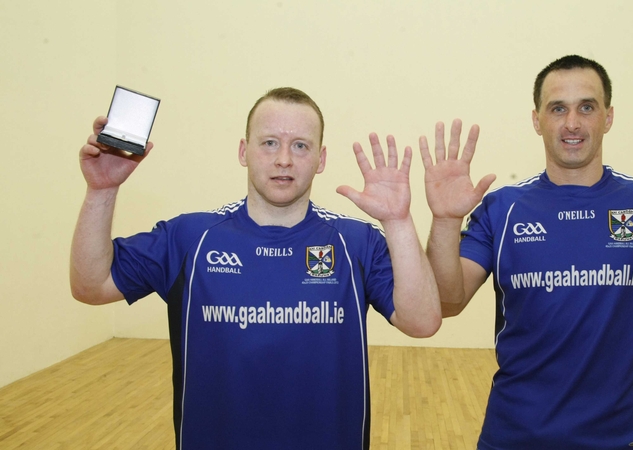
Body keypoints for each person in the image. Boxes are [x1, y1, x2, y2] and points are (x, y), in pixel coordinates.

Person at [420, 55, 633, 449]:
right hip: (514, 437)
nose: (572, 123)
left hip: (620, 440)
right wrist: (446, 221)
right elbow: (447, 302)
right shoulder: (502, 208)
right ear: (537, 120)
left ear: (608, 117)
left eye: (587, 107)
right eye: (557, 109)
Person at [70, 87, 441, 449]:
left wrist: (398, 221)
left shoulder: (357, 242)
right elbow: (91, 285)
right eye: (269, 143)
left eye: (300, 145)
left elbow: (422, 321)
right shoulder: (189, 237)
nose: (284, 159)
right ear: (244, 151)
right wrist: (101, 190)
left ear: (321, 159)